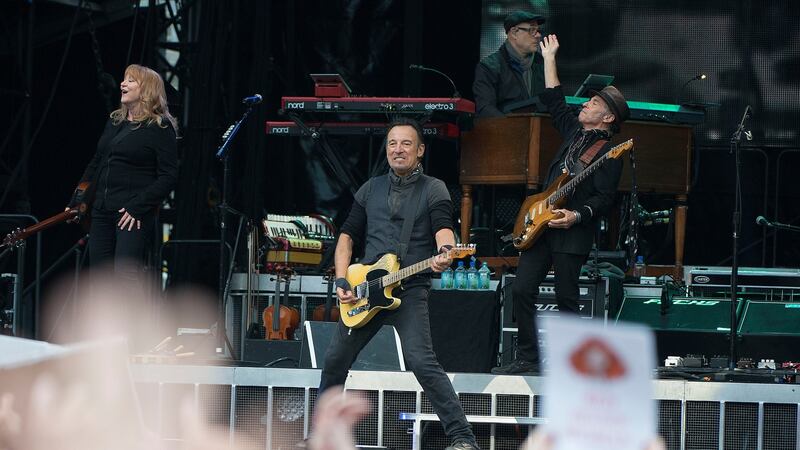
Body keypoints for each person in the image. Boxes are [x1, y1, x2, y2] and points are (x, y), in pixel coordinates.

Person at [319, 118, 479, 450]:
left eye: (406, 143)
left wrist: (446, 252)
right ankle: (321, 435)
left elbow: (443, 229)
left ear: (420, 150)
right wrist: (340, 279)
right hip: (365, 290)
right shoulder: (370, 188)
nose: (398, 149)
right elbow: (347, 237)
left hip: (409, 290)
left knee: (421, 361)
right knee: (335, 360)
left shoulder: (433, 188)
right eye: (392, 143)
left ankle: (463, 438)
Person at [492, 34, 629, 375]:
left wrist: (576, 215)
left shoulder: (609, 155)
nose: (585, 105)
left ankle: (573, 363)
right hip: (540, 222)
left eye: (594, 104)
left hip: (571, 230)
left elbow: (605, 199)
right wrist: (549, 56)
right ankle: (528, 357)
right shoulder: (573, 133)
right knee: (522, 289)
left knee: (567, 298)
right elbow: (554, 98)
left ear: (608, 118)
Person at [70, 64, 178, 285]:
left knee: (124, 279)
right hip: (101, 211)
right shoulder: (115, 121)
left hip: (131, 215)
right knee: (100, 280)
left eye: (131, 80)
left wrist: (137, 207)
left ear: (146, 90)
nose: (123, 84)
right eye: (124, 79)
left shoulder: (160, 127)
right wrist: (77, 200)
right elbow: (96, 163)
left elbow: (168, 176)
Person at [473, 10, 547, 118]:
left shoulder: (543, 64)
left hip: (542, 131)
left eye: (538, 30)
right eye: (532, 30)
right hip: (504, 132)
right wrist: (514, 129)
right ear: (514, 33)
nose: (538, 35)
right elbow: (485, 108)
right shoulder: (489, 67)